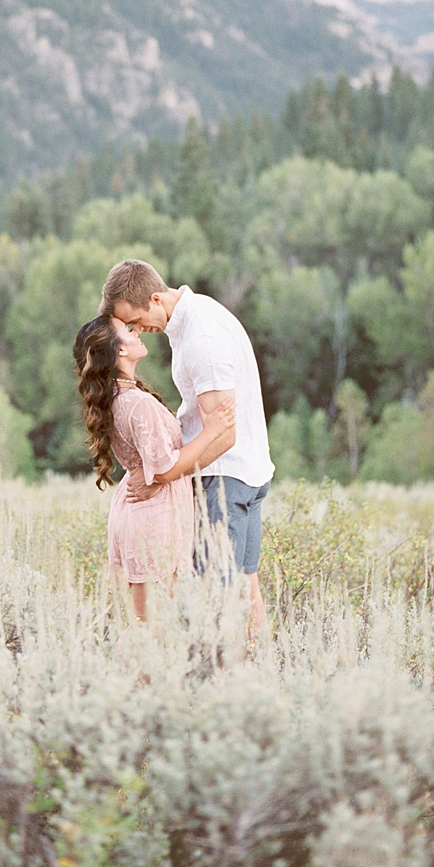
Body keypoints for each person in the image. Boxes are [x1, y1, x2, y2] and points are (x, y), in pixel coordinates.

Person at [100, 259, 274, 631]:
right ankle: (258, 671)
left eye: (135, 320)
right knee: (245, 587)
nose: (137, 330)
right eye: (128, 327)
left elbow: (224, 433)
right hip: (245, 471)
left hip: (225, 478)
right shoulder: (195, 318)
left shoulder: (201, 339)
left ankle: (220, 679)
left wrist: (160, 477)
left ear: (156, 298)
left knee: (215, 596)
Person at [73, 313, 235, 622]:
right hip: (153, 517)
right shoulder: (137, 402)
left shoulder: (121, 397)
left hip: (143, 511)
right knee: (152, 629)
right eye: (128, 330)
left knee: (147, 624)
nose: (137, 333)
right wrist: (213, 430)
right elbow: (163, 470)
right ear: (119, 349)